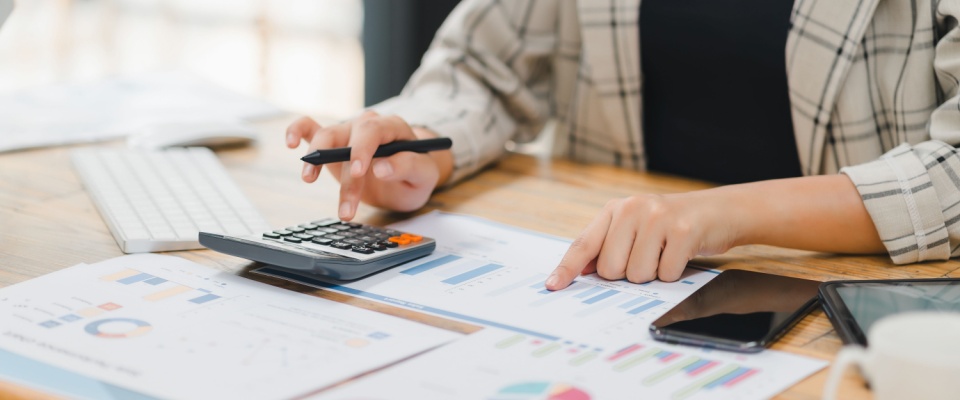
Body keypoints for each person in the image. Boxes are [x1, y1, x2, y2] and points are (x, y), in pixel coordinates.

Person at [286, 0, 960, 291]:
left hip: (866, 307)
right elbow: (479, 68)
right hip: (618, 291)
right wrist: (418, 145)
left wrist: (721, 215)